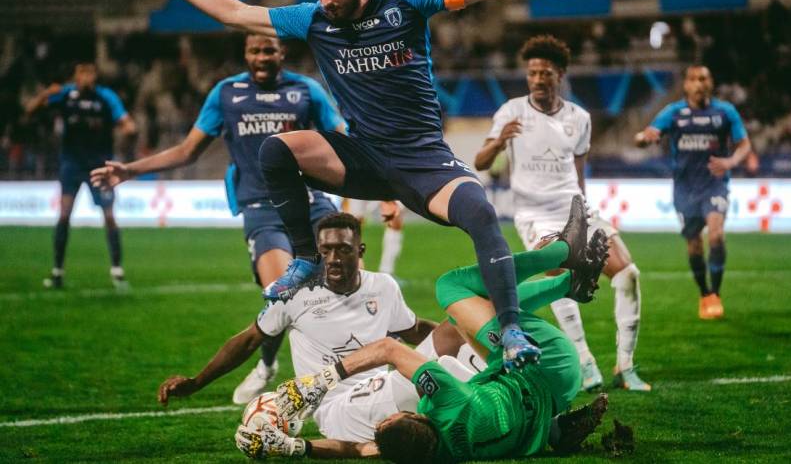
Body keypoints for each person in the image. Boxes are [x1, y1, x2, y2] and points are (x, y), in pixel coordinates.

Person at [127, 0, 592, 370]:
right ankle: (306, 258)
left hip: (423, 160)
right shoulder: (311, 19)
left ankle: (510, 331)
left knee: (481, 213)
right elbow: (235, 12)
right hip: (362, 156)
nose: (323, 1)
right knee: (277, 150)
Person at [235, 195, 610, 462]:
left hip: (547, 402)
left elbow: (354, 449)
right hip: (548, 367)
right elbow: (388, 349)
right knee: (455, 290)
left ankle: (556, 429)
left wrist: (299, 449)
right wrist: (313, 385)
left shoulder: (436, 447)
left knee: (464, 326)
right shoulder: (442, 397)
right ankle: (561, 261)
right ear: (414, 414)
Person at [91, 34, 344, 404]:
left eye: (269, 50)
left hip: (312, 204)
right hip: (262, 208)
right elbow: (187, 150)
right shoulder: (226, 94)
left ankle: (347, 378)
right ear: (246, 54)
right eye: (254, 50)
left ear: (282, 53)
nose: (262, 56)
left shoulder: (306, 91)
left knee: (347, 287)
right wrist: (130, 169)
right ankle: (269, 367)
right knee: (283, 297)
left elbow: (343, 139)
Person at [156, 212, 438, 441]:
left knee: (450, 347)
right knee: (439, 381)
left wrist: (467, 334)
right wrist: (196, 383)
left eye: (343, 249)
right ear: (317, 252)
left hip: (381, 392)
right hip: (337, 408)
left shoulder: (383, 286)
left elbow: (413, 330)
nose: (334, 259)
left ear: (360, 250)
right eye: (326, 250)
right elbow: (249, 340)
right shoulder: (295, 293)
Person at [474, 35, 650, 392]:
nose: (538, 79)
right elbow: (480, 162)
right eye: (533, 73)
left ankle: (626, 366)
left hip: (576, 210)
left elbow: (579, 171)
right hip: (534, 214)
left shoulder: (579, 118)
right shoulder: (511, 111)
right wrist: (497, 141)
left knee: (628, 274)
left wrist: (587, 215)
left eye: (546, 73)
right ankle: (585, 361)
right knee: (558, 275)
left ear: (561, 75)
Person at [635, 65, 751, 319]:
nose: (699, 83)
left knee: (716, 234)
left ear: (710, 83)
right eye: (694, 79)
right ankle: (703, 292)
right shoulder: (674, 113)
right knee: (694, 245)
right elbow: (645, 136)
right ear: (686, 85)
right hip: (685, 189)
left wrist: (731, 162)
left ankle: (715, 296)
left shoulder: (725, 111)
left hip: (715, 183)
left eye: (704, 78)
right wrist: (645, 137)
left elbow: (744, 144)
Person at [24, 63, 137, 290]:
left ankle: (117, 270)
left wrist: (127, 131)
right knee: (64, 214)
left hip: (99, 167)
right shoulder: (65, 94)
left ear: (95, 75)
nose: (86, 77)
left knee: (109, 217)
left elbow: (128, 125)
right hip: (72, 164)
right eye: (81, 72)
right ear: (75, 75)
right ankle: (57, 271)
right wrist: (47, 92)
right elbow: (30, 109)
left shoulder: (106, 97)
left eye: (90, 72)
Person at [343, 199, 405, 276]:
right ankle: (352, 270)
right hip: (358, 187)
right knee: (353, 223)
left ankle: (387, 272)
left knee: (394, 218)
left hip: (388, 187)